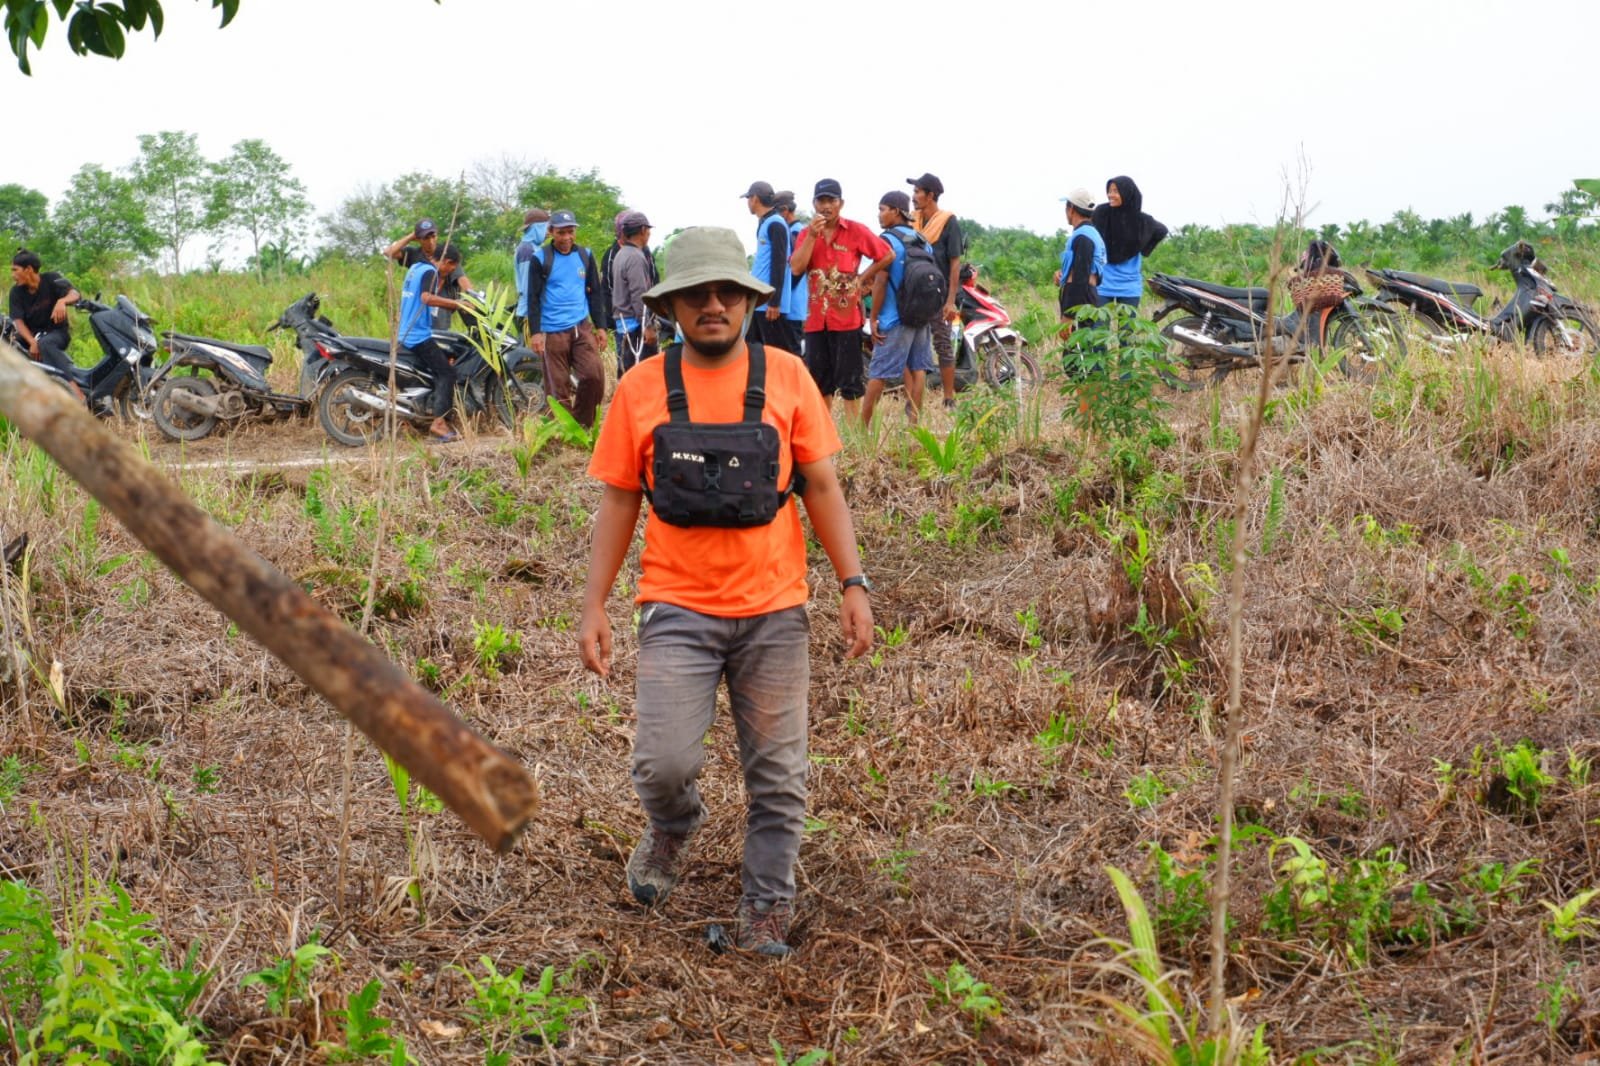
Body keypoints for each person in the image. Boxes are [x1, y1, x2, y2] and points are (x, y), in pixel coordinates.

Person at [578, 226, 873, 957]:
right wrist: (594, 605)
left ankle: (766, 908)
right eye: (695, 295)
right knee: (664, 765)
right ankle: (673, 825)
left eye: (726, 292)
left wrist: (853, 583)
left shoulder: (789, 377)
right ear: (670, 307)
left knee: (779, 776)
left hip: (775, 611)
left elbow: (822, 487)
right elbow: (620, 500)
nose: (712, 305)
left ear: (747, 299)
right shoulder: (640, 388)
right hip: (676, 608)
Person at [789, 179, 893, 420]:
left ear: (841, 203)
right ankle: (823, 432)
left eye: (831, 201)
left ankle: (854, 436)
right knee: (819, 381)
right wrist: (812, 236)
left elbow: (887, 254)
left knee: (850, 381)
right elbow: (796, 268)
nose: (826, 206)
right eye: (821, 201)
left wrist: (862, 278)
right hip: (816, 320)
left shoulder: (855, 231)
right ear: (814, 204)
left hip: (847, 319)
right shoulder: (805, 234)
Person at [526, 209, 608, 429]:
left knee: (593, 376)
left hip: (581, 327)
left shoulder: (585, 255)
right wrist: (535, 332)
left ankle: (582, 425)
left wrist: (601, 327)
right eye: (561, 232)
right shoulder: (540, 258)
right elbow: (533, 297)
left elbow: (595, 293)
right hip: (553, 332)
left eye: (570, 231)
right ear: (551, 232)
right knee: (558, 387)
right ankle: (563, 432)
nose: (566, 237)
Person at [861, 191, 937, 425]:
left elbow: (881, 281)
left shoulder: (887, 240)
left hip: (894, 318)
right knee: (918, 369)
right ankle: (913, 424)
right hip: (921, 315)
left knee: (879, 372)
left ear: (896, 211)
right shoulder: (922, 240)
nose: (879, 215)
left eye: (882, 209)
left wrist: (873, 317)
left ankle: (861, 428)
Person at [398, 242, 471, 442]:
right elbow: (426, 298)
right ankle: (439, 423)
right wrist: (457, 304)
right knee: (447, 373)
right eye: (451, 268)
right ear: (446, 261)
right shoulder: (430, 271)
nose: (450, 272)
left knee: (447, 357)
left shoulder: (415, 267)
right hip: (417, 335)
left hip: (406, 331)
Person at [907, 173, 963, 409]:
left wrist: (950, 301)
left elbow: (955, 263)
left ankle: (949, 398)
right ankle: (911, 397)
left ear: (930, 195)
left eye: (917, 192)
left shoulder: (948, 222)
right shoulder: (911, 221)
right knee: (910, 345)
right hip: (914, 294)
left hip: (938, 295)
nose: (913, 196)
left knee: (943, 344)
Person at [1090, 176, 1168, 307]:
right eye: (1109, 191)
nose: (1110, 195)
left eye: (1115, 191)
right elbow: (1088, 234)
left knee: (1128, 321)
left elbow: (1161, 230)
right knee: (1099, 321)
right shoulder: (1101, 214)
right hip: (1102, 284)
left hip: (1129, 285)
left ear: (1127, 193)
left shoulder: (1140, 220)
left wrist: (1143, 248)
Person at [385, 217, 473, 330]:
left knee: (438, 335)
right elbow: (389, 253)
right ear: (418, 239)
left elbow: (463, 281)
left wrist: (471, 299)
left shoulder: (446, 256)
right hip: (418, 309)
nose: (430, 242)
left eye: (433, 236)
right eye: (426, 238)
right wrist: (411, 236)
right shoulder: (414, 255)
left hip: (440, 310)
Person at [743, 180, 799, 354]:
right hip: (759, 301)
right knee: (753, 352)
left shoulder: (776, 223)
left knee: (779, 354)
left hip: (769, 304)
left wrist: (774, 302)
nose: (748, 203)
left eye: (748, 198)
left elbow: (779, 263)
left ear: (754, 199)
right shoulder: (766, 222)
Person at [8, 249, 79, 377]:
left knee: (45, 344)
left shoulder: (51, 279)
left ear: (28, 269)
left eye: (15, 270)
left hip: (57, 333)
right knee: (8, 344)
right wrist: (32, 342)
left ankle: (73, 386)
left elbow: (74, 294)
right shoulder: (16, 292)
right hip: (33, 337)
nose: (12, 275)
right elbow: (18, 321)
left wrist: (62, 301)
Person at [609, 210, 661, 376]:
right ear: (643, 230)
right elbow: (639, 294)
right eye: (649, 230)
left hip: (623, 324)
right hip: (635, 327)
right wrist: (647, 326)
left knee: (627, 375)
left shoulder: (621, 254)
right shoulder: (636, 257)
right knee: (644, 377)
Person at [1055, 188, 1107, 335]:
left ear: (1071, 209)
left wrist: (1069, 315)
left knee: (1079, 347)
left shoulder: (1083, 237)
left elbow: (1081, 277)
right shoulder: (1091, 234)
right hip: (1087, 297)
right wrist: (1062, 275)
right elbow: (1094, 273)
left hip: (1081, 302)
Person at [774, 192, 808, 359]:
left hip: (791, 304)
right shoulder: (795, 230)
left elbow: (797, 270)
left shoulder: (796, 233)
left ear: (785, 211)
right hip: (792, 303)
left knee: (791, 354)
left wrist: (780, 295)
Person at [513, 208, 551, 339]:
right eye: (546, 228)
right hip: (529, 314)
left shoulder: (533, 248)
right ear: (537, 228)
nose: (548, 233)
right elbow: (528, 286)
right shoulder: (527, 250)